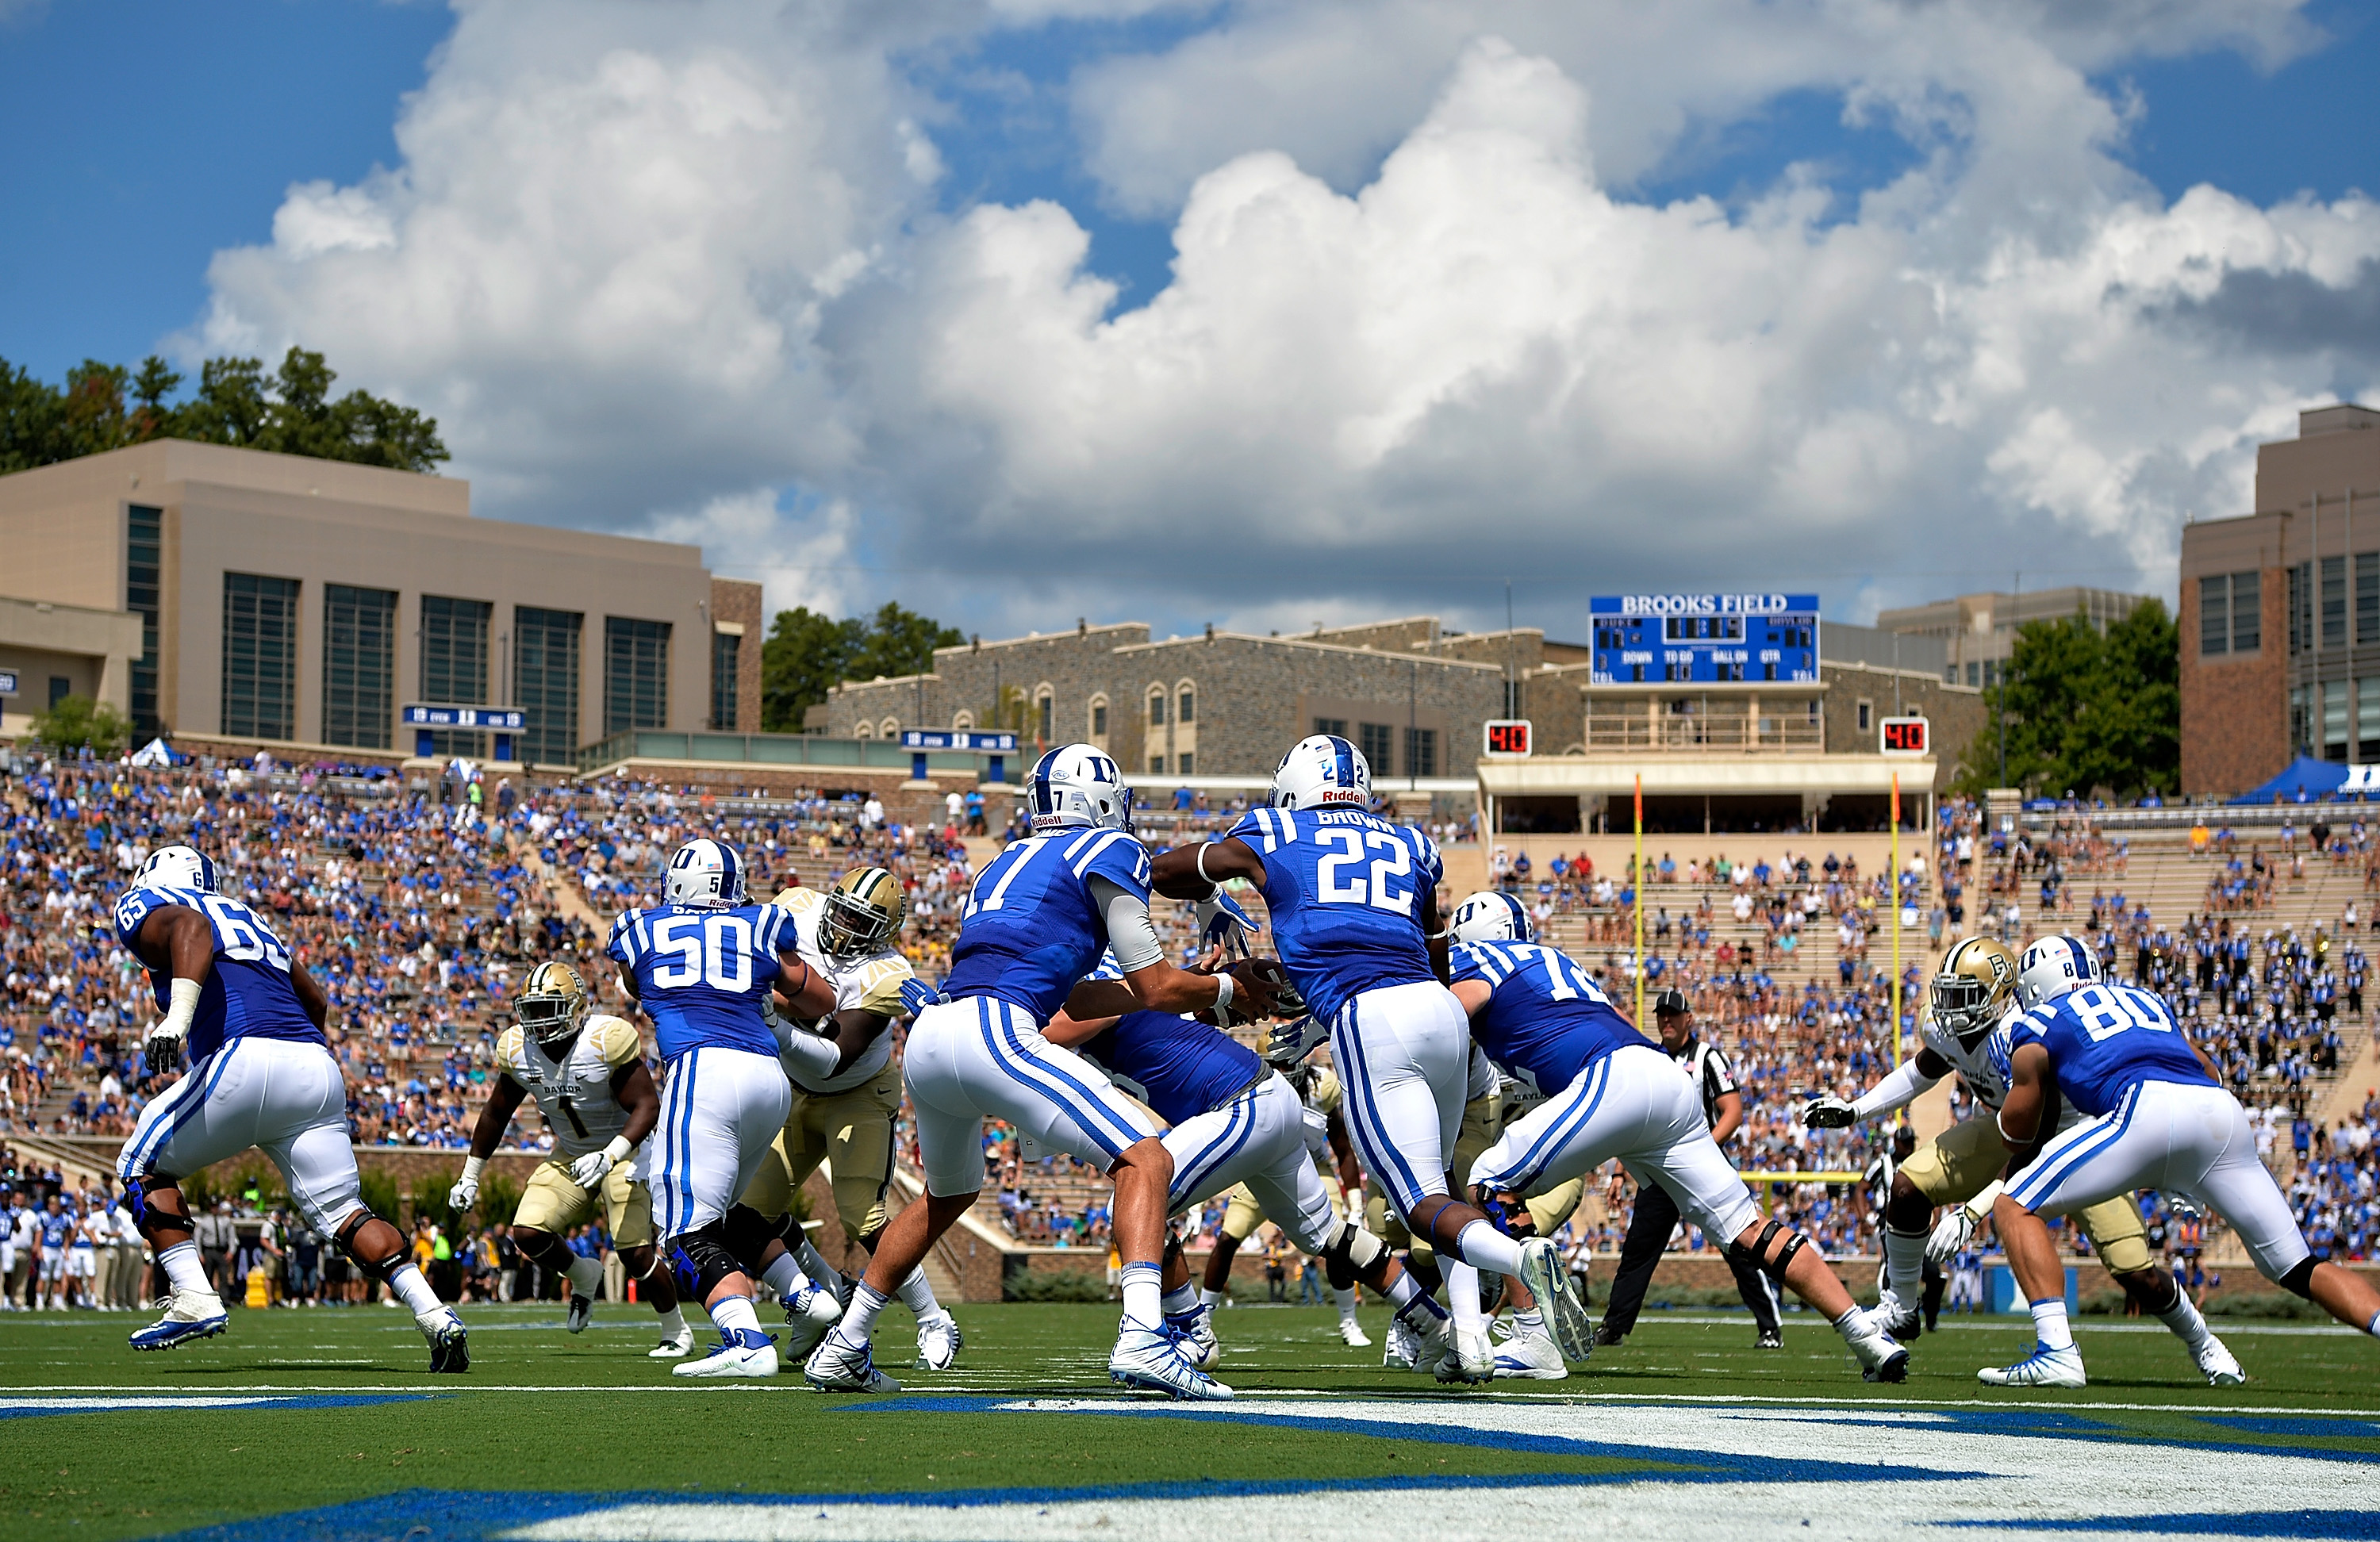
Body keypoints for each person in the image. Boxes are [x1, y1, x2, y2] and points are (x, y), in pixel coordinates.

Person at [804, 745, 1276, 1398]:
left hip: (935, 1037)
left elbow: (1085, 999)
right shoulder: (1111, 852)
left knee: (948, 1196)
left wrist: (1204, 980)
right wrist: (1225, 987)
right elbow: (1157, 986)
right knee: (1147, 1161)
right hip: (995, 1030)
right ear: (1101, 800)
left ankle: (846, 1345)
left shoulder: (1002, 861)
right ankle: (1144, 1336)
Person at [1151, 737, 1587, 1383]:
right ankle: (1469, 1340)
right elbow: (1435, 947)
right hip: (1437, 1012)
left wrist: (1215, 895)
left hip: (1373, 1017)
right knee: (1444, 1187)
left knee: (1420, 1206)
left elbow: (1167, 871)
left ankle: (1521, 1263)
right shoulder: (1409, 843)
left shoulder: (1278, 827)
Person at [1443, 892, 1908, 1383]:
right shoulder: (1556, 961)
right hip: (1666, 1082)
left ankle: (1535, 1337)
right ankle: (1868, 1338)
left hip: (1612, 1079)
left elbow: (1449, 1016)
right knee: (1749, 1229)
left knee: (1487, 1181)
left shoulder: (1473, 958)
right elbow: (1603, 1027)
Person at [1805, 936, 2237, 1383]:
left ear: (2000, 994)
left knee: (2134, 1272)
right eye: (1948, 994)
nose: (1950, 1007)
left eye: (1965, 996)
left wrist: (1971, 1213)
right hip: (2004, 1127)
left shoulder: (2025, 1036)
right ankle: (1901, 1309)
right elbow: (1924, 1070)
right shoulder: (1945, 1029)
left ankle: (2204, 1342)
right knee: (1909, 1185)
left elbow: (2033, 1149)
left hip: (2079, 1138)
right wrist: (1858, 1108)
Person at [111, 845, 467, 1368]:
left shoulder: (153, 902)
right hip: (314, 1066)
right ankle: (436, 1316)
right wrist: (290, 1066)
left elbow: (190, 928)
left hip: (243, 1055)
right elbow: (317, 1001)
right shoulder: (250, 918)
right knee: (346, 1211)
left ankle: (194, 1295)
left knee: (139, 1165)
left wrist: (177, 1021)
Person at [1979, 934, 2380, 1387]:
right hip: (2220, 1114)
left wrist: (2007, 1101)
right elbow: (2208, 1069)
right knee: (2298, 1266)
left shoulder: (2040, 1019)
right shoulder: (2144, 1000)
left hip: (2142, 1109)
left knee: (2014, 1205)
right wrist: (2181, 1168)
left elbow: (2019, 1132)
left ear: (2032, 987)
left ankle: (2056, 1352)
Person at [1044, 953, 1435, 1374]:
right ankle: (1435, 1326)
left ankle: (1191, 1333)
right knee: (1327, 1236)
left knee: (1133, 1205)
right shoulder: (1125, 982)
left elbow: (1052, 1033)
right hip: (1270, 1101)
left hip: (1242, 1103)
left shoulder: (1098, 982)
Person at [606, 836, 837, 1379]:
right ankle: (807, 1297)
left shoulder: (639, 927)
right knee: (726, 1218)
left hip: (702, 1071)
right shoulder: (759, 923)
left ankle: (746, 1338)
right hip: (768, 1077)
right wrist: (764, 992)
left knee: (685, 1230)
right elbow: (822, 1001)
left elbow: (637, 985)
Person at [734, 868, 962, 1371]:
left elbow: (836, 1055)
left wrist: (774, 1019)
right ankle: (823, 1294)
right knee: (746, 1216)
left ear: (884, 933)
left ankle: (932, 1317)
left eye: (860, 921)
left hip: (855, 1092)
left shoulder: (886, 974)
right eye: (842, 910)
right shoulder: (796, 907)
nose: (842, 926)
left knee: (864, 1219)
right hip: (793, 1089)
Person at [447, 960, 690, 1359]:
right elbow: (495, 1113)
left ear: (577, 1009)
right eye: (534, 1010)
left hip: (625, 1150)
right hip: (572, 1153)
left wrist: (611, 1155)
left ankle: (675, 1330)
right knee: (527, 1232)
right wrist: (470, 1175)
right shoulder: (518, 1049)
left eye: (549, 1010)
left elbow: (648, 1106)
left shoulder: (603, 1040)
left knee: (634, 1251)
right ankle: (583, 1273)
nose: (540, 1021)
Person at [1598, 986, 1784, 1349]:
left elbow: (1732, 1111)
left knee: (1738, 1245)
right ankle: (1614, 1327)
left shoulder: (1708, 1058)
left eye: (1673, 1014)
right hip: (1660, 1170)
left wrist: (1703, 1151)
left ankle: (1769, 1325)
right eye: (1660, 1014)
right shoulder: (1648, 1059)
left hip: (1701, 1166)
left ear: (1688, 1019)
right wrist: (1619, 1172)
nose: (1666, 1020)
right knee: (1638, 1250)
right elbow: (1635, 1120)